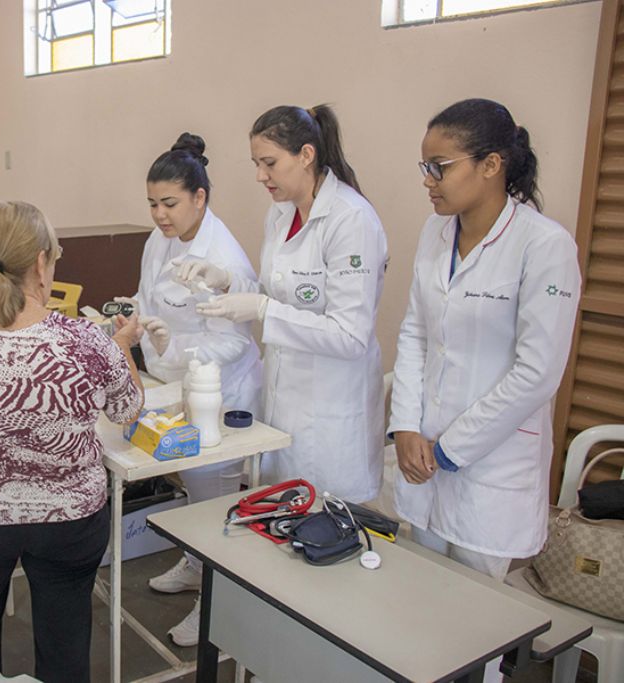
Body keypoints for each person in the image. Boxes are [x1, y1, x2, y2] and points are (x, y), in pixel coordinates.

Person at [0, 201, 144, 683]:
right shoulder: (85, 340)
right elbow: (125, 410)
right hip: (68, 521)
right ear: (41, 262)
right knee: (64, 650)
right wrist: (122, 345)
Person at [389, 100, 581, 582]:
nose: (428, 180)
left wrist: (452, 448)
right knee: (420, 599)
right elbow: (415, 332)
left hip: (490, 467)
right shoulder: (436, 232)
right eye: (425, 167)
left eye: (440, 167)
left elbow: (537, 373)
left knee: (474, 626)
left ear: (491, 165)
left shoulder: (544, 246)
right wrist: (406, 427)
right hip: (423, 455)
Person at [180, 105, 388, 502]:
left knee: (323, 528)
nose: (261, 176)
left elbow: (349, 335)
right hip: (285, 400)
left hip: (332, 411)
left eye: (270, 163)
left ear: (306, 155)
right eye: (257, 164)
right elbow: (279, 292)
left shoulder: (350, 220)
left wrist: (263, 311)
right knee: (278, 516)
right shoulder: (280, 215)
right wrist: (225, 280)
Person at [123, 132, 262, 647]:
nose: (160, 214)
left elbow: (229, 342)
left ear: (200, 198)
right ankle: (195, 562)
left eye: (170, 203)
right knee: (192, 486)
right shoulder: (159, 238)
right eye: (153, 203)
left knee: (216, 495)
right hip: (175, 378)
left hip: (223, 388)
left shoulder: (224, 256)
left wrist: (174, 348)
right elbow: (146, 292)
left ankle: (216, 598)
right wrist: (137, 322)